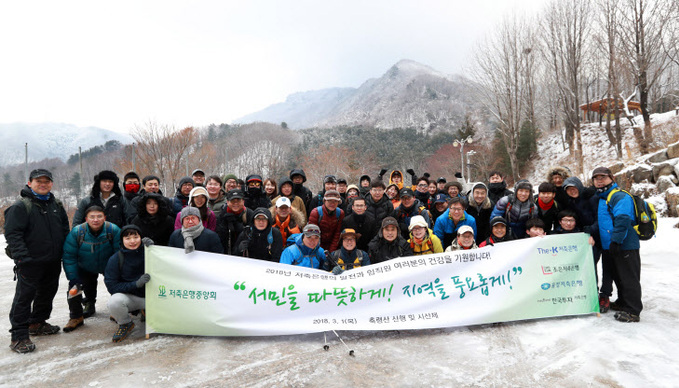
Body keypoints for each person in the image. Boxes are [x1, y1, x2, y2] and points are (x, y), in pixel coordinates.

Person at [5, 169, 69, 353]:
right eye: (38, 181)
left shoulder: (55, 204)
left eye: (46, 181)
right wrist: (22, 257)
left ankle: (37, 323)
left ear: (51, 183)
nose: (43, 184)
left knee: (47, 292)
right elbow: (13, 234)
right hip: (29, 261)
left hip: (53, 260)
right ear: (29, 182)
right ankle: (18, 336)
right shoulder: (21, 206)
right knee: (24, 298)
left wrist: (66, 251)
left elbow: (65, 229)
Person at [591, 167, 642, 322]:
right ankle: (622, 302)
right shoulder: (603, 197)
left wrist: (616, 241)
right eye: (596, 178)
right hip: (611, 245)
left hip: (624, 244)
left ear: (611, 178)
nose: (599, 181)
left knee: (629, 278)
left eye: (603, 177)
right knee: (619, 276)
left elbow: (623, 219)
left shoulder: (618, 196)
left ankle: (633, 311)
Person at [62, 205, 122, 332]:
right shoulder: (77, 232)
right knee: (74, 289)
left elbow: (119, 253)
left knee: (117, 286)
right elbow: (69, 256)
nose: (96, 220)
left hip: (108, 265)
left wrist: (118, 270)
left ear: (104, 217)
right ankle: (76, 316)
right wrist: (73, 277)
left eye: (99, 216)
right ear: (86, 219)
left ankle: (117, 312)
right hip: (84, 265)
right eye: (92, 217)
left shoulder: (113, 230)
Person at [104, 225, 151, 342]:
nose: (132, 241)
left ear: (141, 237)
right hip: (133, 298)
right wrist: (135, 284)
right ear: (122, 240)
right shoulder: (115, 259)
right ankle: (125, 323)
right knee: (114, 301)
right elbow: (112, 286)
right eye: (128, 238)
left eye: (136, 237)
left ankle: (148, 311)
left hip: (155, 296)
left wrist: (154, 249)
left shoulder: (149, 252)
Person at [216, 189, 253, 254]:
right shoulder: (222, 214)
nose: (235, 204)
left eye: (238, 201)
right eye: (232, 201)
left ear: (243, 201)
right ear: (227, 202)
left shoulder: (249, 214)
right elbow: (219, 237)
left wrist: (239, 227)